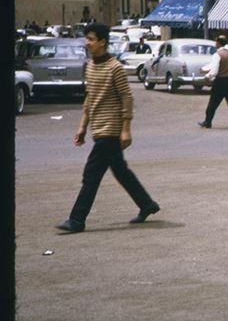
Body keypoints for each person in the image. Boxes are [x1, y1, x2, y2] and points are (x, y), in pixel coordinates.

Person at [56, 23, 160, 233]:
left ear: (102, 42)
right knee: (121, 172)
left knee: (91, 174)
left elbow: (127, 98)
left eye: (91, 39)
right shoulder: (91, 66)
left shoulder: (115, 68)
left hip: (110, 129)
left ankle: (77, 220)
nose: (87, 43)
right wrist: (82, 127)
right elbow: (90, 97)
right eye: (86, 39)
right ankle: (147, 204)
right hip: (98, 128)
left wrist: (126, 129)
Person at [198, 35, 228, 129]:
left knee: (213, 103)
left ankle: (208, 122)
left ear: (218, 43)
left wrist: (207, 76)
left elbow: (214, 70)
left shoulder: (217, 54)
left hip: (220, 81)